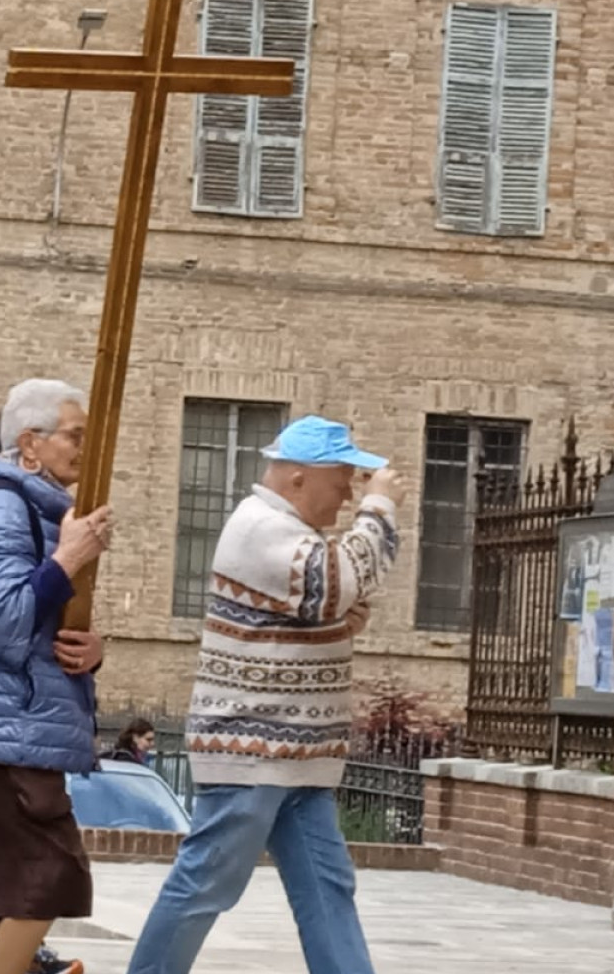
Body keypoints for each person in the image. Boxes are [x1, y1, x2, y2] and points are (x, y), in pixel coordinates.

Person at [124, 416, 405, 974]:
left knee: (328, 891)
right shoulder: (259, 527)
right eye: (343, 479)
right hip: (251, 752)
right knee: (207, 883)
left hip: (299, 759)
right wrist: (380, 509)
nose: (350, 494)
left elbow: (343, 597)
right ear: (300, 478)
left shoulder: (294, 536)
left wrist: (336, 607)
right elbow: (337, 592)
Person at [0, 379, 113, 974]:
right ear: (30, 446)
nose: (87, 448)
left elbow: (36, 627)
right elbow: (4, 622)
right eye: (75, 436)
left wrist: (91, 649)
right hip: (6, 728)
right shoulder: (1, 509)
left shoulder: (33, 509)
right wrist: (68, 559)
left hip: (7, 722)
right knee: (48, 876)